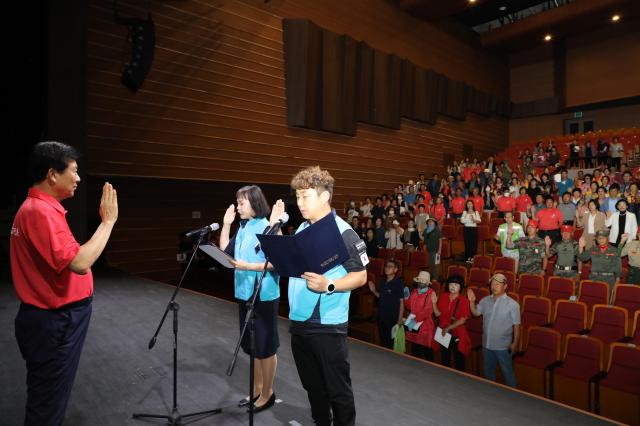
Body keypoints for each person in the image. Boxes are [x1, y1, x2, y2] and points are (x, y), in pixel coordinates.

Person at [10, 141, 119, 425]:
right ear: (52, 174)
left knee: (48, 397)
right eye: (74, 170)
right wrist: (107, 222)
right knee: (47, 407)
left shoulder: (40, 209)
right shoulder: (40, 212)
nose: (79, 178)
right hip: (54, 322)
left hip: (51, 320)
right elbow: (80, 262)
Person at [288, 166, 367, 426]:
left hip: (327, 325)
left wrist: (329, 285)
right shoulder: (301, 229)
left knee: (338, 390)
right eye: (297, 197)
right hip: (299, 322)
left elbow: (361, 276)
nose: (299, 203)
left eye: (305, 196)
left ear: (324, 197)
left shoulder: (344, 232)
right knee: (313, 387)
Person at [220, 185, 283, 412]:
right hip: (245, 293)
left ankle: (268, 393)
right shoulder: (243, 227)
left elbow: (278, 263)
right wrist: (226, 224)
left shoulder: (268, 227)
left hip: (264, 296)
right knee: (253, 346)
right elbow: (226, 255)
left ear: (254, 203)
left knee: (266, 347)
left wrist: (248, 266)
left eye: (241, 202)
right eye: (237, 202)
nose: (238, 206)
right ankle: (256, 389)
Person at [468, 273, 521, 387]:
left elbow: (516, 325)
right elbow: (475, 313)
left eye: (498, 284)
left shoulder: (513, 304)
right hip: (486, 345)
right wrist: (472, 302)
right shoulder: (485, 300)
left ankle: (513, 398)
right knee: (488, 373)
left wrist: (515, 343)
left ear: (505, 286)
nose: (494, 286)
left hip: (503, 347)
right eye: (492, 283)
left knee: (508, 374)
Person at [433, 275, 471, 371]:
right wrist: (433, 303)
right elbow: (437, 314)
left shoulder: (464, 301)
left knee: (459, 362)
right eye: (450, 284)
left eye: (456, 284)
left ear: (460, 287)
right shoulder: (443, 296)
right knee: (445, 360)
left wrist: (449, 327)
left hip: (457, 333)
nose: (453, 286)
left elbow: (463, 319)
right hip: (444, 332)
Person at [368, 260, 405, 349]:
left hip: (392, 317)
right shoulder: (383, 281)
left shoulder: (398, 283)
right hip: (381, 316)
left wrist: (400, 319)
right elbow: (381, 296)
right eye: (386, 266)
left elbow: (402, 302)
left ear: (395, 270)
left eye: (390, 266)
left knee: (390, 343)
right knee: (383, 341)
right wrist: (373, 291)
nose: (387, 268)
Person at [579, 230, 622, 301]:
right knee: (592, 299)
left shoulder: (614, 250)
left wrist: (617, 281)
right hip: (594, 278)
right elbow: (582, 258)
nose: (600, 240)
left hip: (608, 279)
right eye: (599, 238)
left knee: (606, 301)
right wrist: (581, 247)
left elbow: (618, 267)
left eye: (603, 238)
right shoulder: (593, 249)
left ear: (608, 238)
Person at [404, 271, 437, 361]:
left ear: (428, 283)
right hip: (414, 325)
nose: (422, 281)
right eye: (420, 279)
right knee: (415, 351)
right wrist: (406, 298)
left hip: (425, 326)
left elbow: (427, 311)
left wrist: (414, 320)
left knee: (427, 352)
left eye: (424, 280)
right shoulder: (414, 292)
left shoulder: (431, 293)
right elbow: (408, 307)